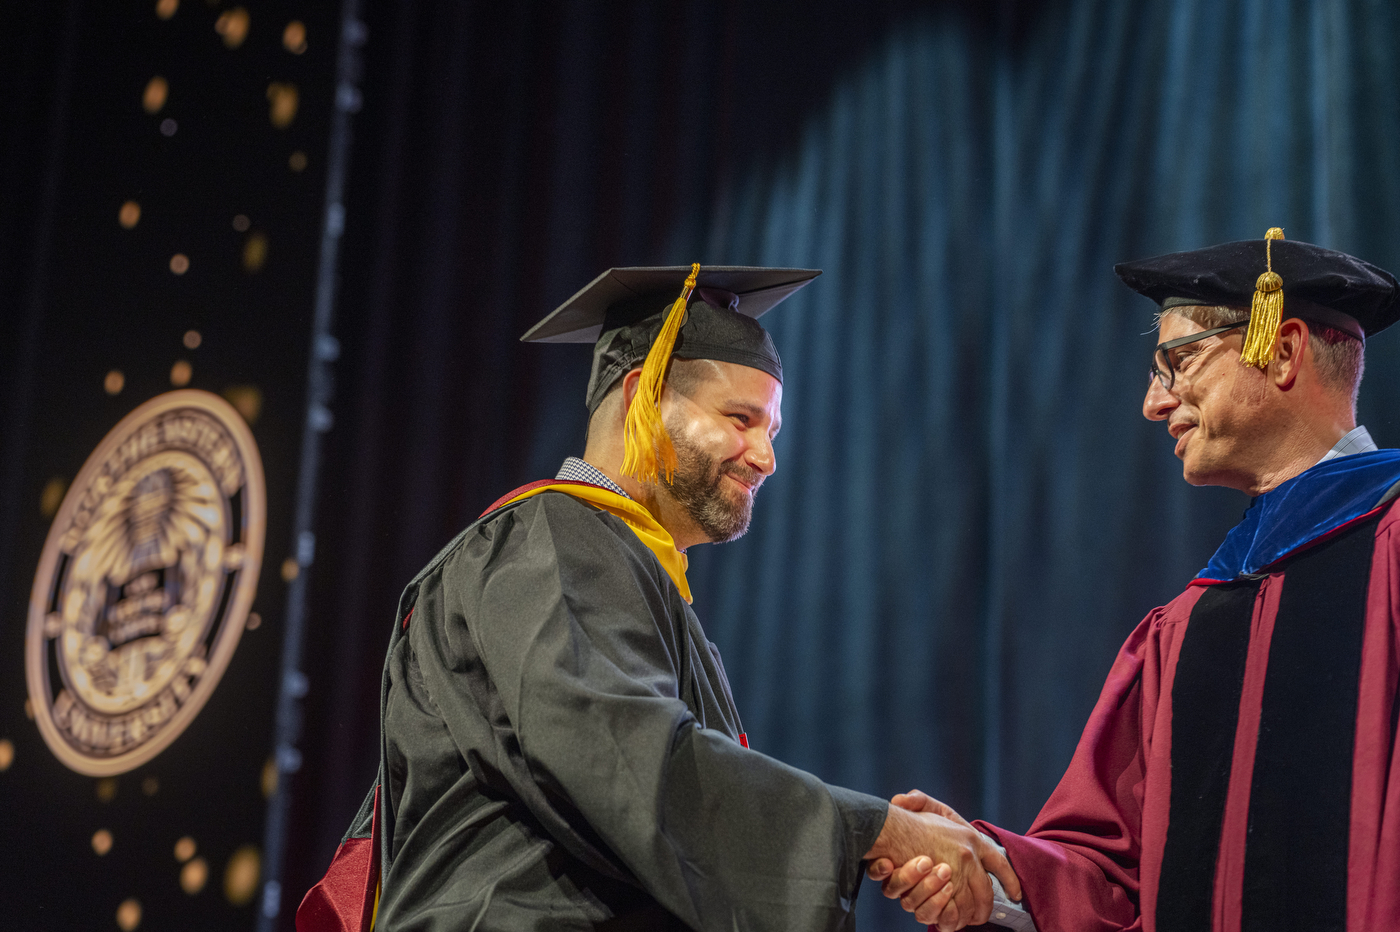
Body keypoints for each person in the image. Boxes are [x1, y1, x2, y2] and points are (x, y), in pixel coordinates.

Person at [298, 264, 1020, 932]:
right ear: (642, 392)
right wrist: (869, 830)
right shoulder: (550, 541)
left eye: (772, 431)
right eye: (741, 419)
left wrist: (869, 844)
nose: (767, 457)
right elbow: (629, 763)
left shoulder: (631, 578)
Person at [872, 229, 1400, 932]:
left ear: (1280, 349)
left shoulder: (1387, 547)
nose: (1156, 403)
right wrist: (994, 868)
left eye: (1177, 363)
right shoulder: (1192, 623)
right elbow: (1114, 873)